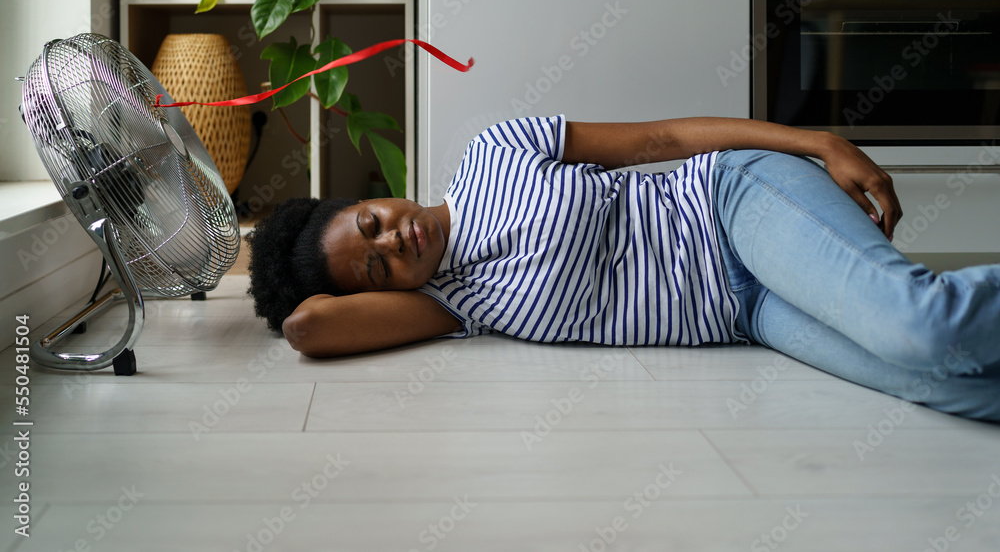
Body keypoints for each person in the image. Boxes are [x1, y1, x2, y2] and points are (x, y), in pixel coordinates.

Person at [246, 115, 1000, 421]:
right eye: (375, 269)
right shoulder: (455, 303)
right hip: (747, 316)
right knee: (936, 382)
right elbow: (311, 325)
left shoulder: (495, 151)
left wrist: (815, 141)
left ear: (373, 195)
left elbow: (661, 138)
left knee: (920, 326)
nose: (392, 242)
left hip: (730, 203)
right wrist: (289, 272)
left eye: (371, 223)